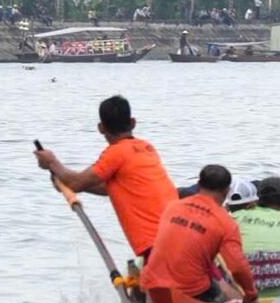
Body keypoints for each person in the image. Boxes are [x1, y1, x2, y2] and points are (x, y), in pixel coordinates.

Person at [34, 95, 179, 261]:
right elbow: (110, 188)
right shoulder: (146, 148)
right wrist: (65, 182)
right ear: (133, 123)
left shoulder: (116, 153)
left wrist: (52, 163)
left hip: (156, 245)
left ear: (101, 128)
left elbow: (76, 183)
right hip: (178, 235)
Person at [140, 164, 258, 303]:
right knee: (229, 297)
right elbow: (238, 267)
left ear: (199, 184)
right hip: (190, 288)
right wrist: (251, 294)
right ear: (227, 191)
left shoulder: (172, 207)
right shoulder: (226, 223)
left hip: (151, 282)